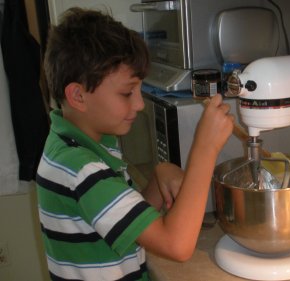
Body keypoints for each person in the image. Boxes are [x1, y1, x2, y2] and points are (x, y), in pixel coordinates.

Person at [36, 7, 234, 281]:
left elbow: (118, 220)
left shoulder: (74, 144)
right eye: (127, 93)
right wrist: (205, 148)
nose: (140, 104)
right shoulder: (80, 167)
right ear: (78, 96)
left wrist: (157, 178)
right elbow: (176, 245)